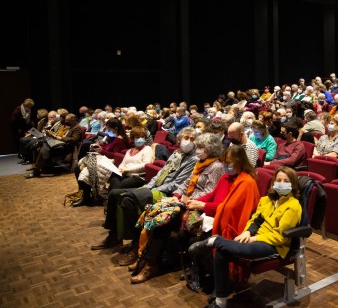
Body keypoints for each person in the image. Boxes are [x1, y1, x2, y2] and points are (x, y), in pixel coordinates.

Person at [191, 166, 301, 308]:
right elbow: (256, 219)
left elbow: (281, 237)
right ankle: (220, 301)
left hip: (276, 245)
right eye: (278, 180)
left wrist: (255, 239)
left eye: (286, 181)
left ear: (292, 184)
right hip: (257, 237)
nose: (281, 183)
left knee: (243, 250)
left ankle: (215, 240)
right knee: (221, 252)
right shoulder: (266, 200)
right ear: (273, 182)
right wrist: (248, 232)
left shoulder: (293, 206)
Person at [127, 133, 224, 283]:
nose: (197, 150)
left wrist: (186, 200)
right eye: (197, 147)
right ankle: (144, 257)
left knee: (162, 221)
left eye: (200, 147)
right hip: (185, 201)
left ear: (210, 149)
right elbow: (186, 183)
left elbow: (209, 192)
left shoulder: (216, 166)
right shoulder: (200, 162)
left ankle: (150, 265)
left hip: (197, 206)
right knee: (154, 213)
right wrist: (177, 195)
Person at [91, 127, 199, 251]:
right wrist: (148, 186)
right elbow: (160, 174)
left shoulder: (193, 159)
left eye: (192, 139)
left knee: (127, 200)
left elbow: (176, 184)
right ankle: (114, 236)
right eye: (186, 138)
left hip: (166, 193)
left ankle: (135, 244)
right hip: (154, 187)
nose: (188, 141)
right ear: (179, 139)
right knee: (114, 194)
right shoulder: (176, 153)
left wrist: (153, 188)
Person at [25, 113, 83, 178]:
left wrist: (61, 138)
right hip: (59, 143)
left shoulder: (77, 128)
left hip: (66, 147)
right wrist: (54, 135)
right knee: (42, 147)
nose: (65, 122)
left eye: (67, 120)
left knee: (43, 146)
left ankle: (37, 170)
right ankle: (39, 169)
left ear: (73, 120)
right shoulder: (70, 126)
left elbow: (74, 139)